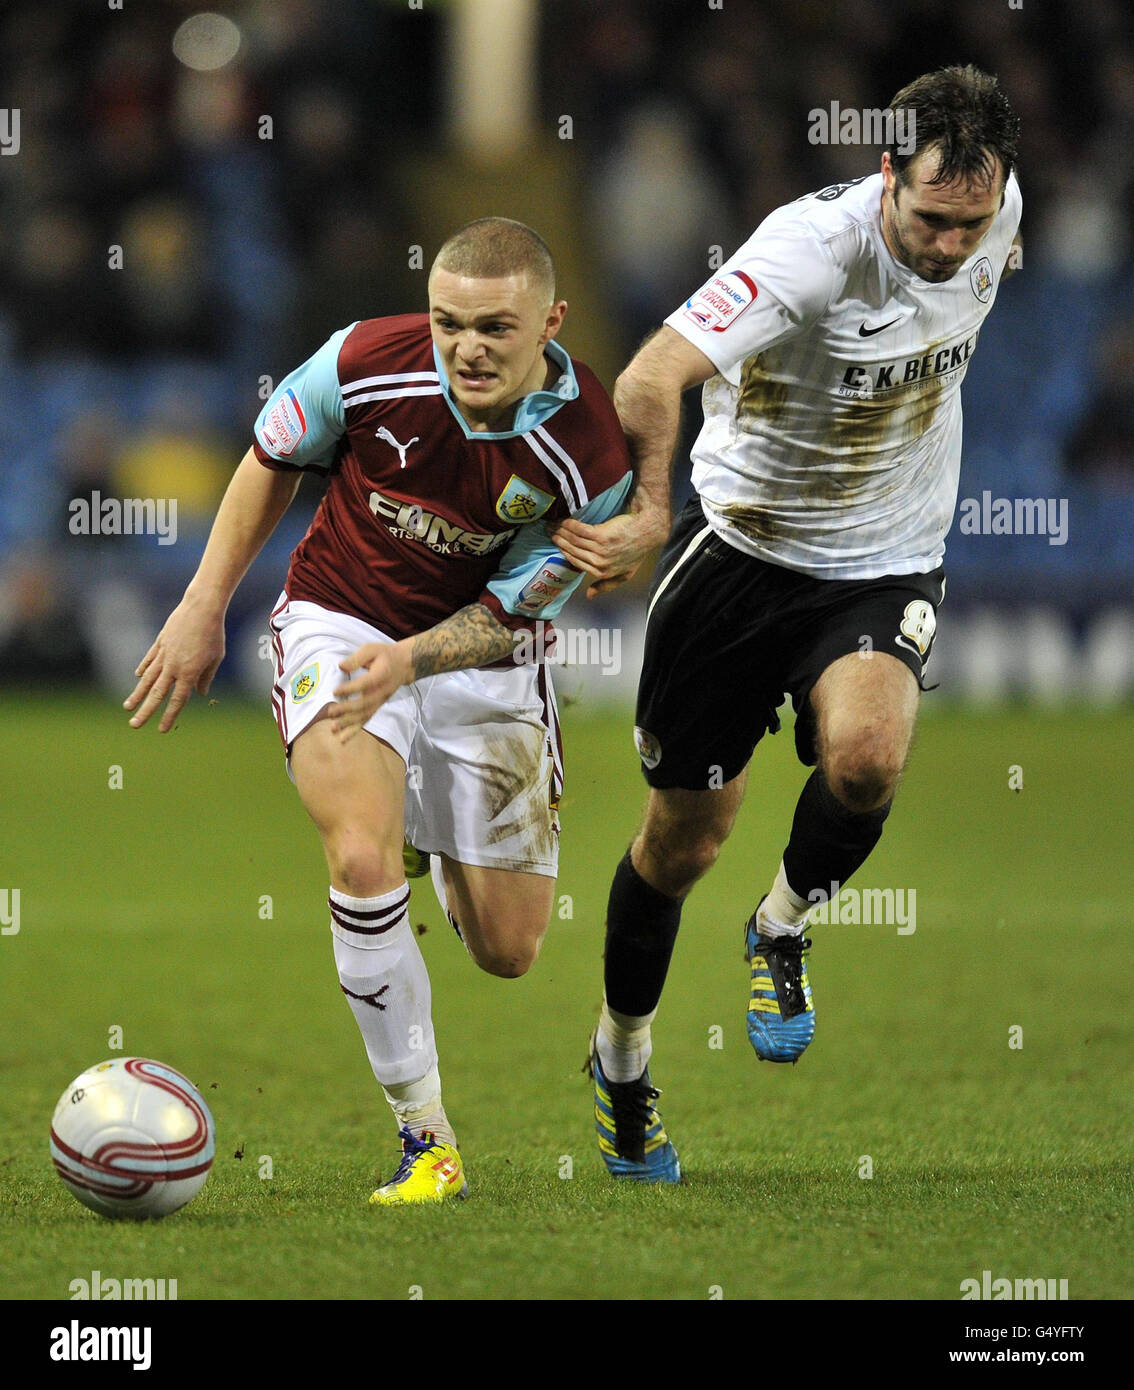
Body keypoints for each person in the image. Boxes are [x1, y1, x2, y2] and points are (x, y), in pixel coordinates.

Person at [550, 66, 1023, 1181]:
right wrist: (656, 512)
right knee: (682, 843)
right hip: (744, 559)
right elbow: (650, 378)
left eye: (973, 222)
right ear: (882, 177)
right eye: (930, 220)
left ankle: (783, 923)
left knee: (866, 761)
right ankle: (621, 1063)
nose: (955, 245)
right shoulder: (805, 254)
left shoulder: (1000, 201)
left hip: (886, 556)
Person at [125, 218, 631, 1204]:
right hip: (340, 619)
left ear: (552, 323)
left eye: (495, 326)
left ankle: (429, 837)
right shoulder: (364, 358)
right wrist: (202, 603)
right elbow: (274, 453)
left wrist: (413, 663)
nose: (468, 347)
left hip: (482, 655)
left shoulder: (590, 459)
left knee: (509, 950)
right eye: (450, 322)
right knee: (359, 855)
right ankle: (425, 1139)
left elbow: (504, 613)